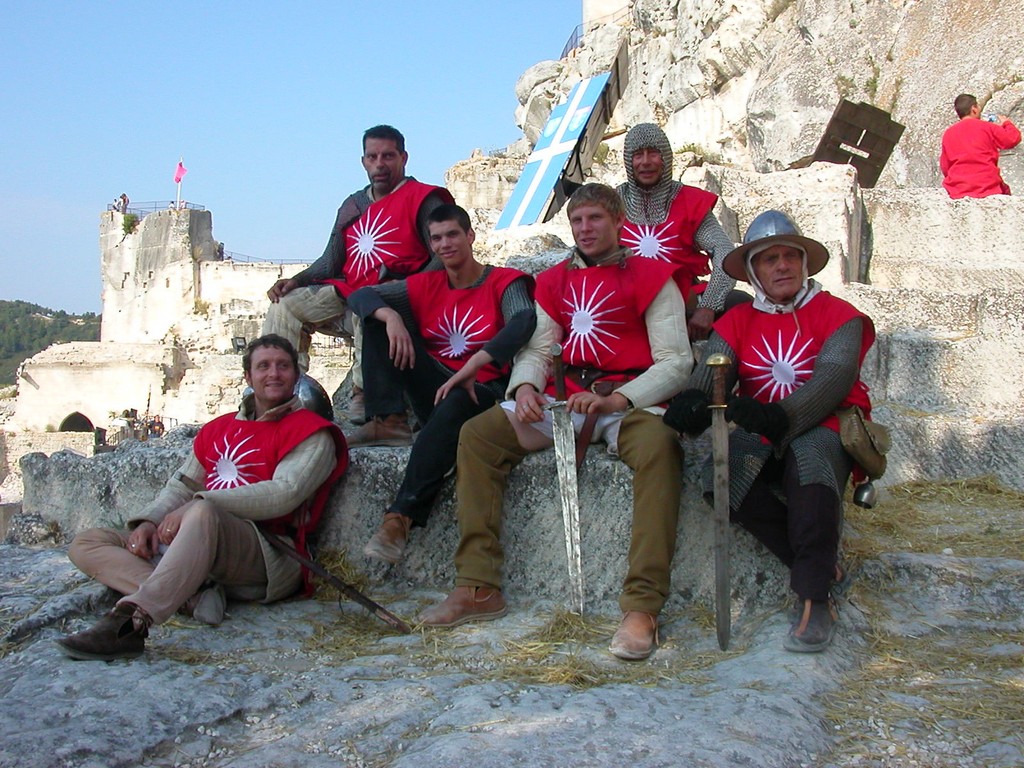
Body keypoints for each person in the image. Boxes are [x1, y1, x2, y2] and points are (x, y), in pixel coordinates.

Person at [417, 183, 692, 661]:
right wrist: (524, 387)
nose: (585, 229)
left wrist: (619, 398)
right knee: (478, 436)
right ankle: (478, 586)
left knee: (660, 449)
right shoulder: (554, 281)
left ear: (618, 221)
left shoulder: (653, 277)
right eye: (577, 221)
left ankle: (642, 606)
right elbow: (539, 350)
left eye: (595, 219)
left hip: (627, 403)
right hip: (562, 403)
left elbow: (676, 362)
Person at [57, 334, 348, 661]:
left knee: (202, 513)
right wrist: (150, 522)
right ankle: (191, 596)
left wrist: (203, 503)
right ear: (248, 376)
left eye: (283, 366)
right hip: (197, 539)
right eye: (263, 366)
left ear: (296, 375)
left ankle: (132, 621)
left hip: (267, 552)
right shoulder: (219, 428)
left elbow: (285, 493)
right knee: (89, 542)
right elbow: (182, 485)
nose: (273, 374)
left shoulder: (312, 432)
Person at [664, 210, 876, 653]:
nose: (782, 266)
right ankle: (817, 565)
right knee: (720, 478)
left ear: (803, 262)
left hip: (824, 423)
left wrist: (779, 417)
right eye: (769, 259)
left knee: (811, 470)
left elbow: (833, 381)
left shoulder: (841, 316)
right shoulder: (737, 321)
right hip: (761, 427)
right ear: (754, 271)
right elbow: (713, 374)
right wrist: (691, 403)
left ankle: (814, 598)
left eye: (789, 257)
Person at [345, 204, 536, 563]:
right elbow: (359, 296)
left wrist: (478, 361)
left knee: (461, 398)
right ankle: (389, 420)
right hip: (434, 386)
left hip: (483, 390)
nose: (445, 244)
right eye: (437, 238)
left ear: (470, 236)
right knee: (375, 321)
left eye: (452, 234)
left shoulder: (504, 282)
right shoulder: (425, 284)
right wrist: (391, 316)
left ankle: (399, 519)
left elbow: (523, 321)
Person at [262, 125, 455, 421]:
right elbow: (331, 260)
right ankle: (279, 393)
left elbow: (441, 257)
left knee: (370, 302)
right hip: (348, 291)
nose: (380, 164)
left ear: (403, 158)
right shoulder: (353, 205)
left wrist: (411, 290)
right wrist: (297, 280)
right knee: (285, 305)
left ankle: (364, 393)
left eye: (388, 156)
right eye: (372, 157)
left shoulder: (424, 199)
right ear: (363, 161)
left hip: (399, 295)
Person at [617, 123, 744, 340]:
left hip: (683, 304)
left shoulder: (688, 202)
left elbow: (723, 251)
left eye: (653, 153)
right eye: (638, 155)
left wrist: (708, 306)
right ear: (629, 161)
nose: (646, 161)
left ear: (665, 158)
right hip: (626, 304)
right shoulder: (612, 203)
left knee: (739, 303)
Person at [940, 93, 1021, 198]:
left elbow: (945, 167)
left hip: (958, 189)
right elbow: (1012, 138)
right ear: (974, 109)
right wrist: (1007, 123)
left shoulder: (948, 133)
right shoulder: (987, 127)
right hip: (987, 186)